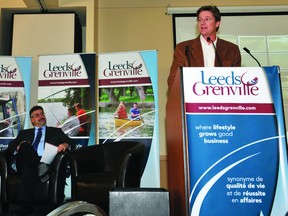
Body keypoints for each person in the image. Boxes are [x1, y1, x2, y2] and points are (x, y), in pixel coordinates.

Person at [7, 105, 74, 215]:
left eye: (42, 114)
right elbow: (11, 145)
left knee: (28, 166)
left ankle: (26, 205)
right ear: (32, 120)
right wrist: (19, 147)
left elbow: (72, 143)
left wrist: (65, 144)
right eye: (37, 115)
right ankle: (39, 167)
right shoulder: (25, 133)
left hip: (45, 161)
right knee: (24, 145)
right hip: (29, 160)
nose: (41, 116)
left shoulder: (56, 132)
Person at [168, 5, 241, 91]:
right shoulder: (183, 48)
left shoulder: (232, 50)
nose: (202, 23)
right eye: (200, 19)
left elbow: (237, 83)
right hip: (194, 101)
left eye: (207, 19)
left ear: (217, 23)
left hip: (222, 101)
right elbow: (173, 81)